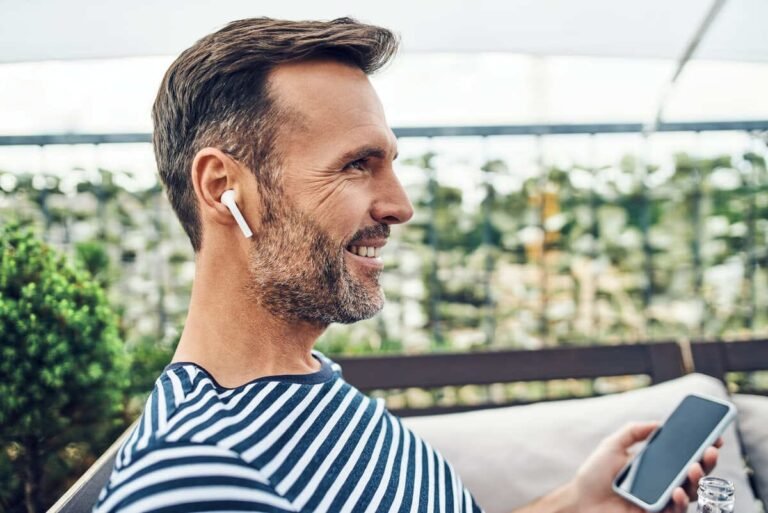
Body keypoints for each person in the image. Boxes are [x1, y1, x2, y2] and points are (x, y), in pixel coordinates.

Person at [94, 17, 719, 513]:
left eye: (389, 163)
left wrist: (577, 503)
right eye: (356, 164)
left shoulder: (307, 385)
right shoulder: (195, 477)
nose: (401, 206)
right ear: (223, 187)